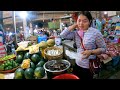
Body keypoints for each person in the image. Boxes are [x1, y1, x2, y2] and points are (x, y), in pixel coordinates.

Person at [59, 11, 106, 79]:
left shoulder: (95, 33)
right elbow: (62, 35)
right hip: (77, 64)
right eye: (79, 20)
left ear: (89, 21)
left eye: (84, 21)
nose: (81, 23)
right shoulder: (76, 33)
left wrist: (91, 52)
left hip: (88, 67)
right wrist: (74, 25)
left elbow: (103, 49)